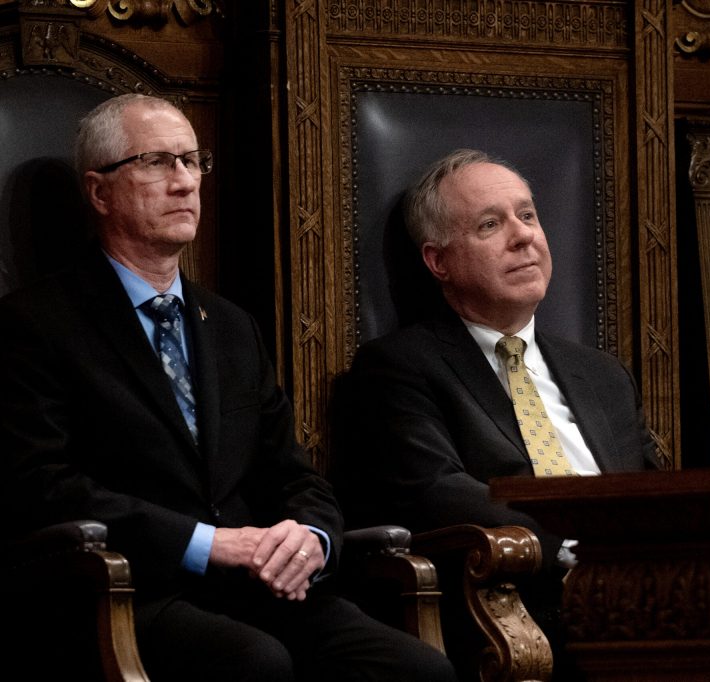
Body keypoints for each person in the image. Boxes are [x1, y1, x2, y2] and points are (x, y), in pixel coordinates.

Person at [0, 93, 455, 682]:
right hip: (124, 588)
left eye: (193, 162)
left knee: (419, 670)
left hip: (257, 587)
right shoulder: (35, 324)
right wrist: (203, 543)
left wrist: (311, 538)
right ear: (99, 191)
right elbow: (42, 486)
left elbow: (292, 472)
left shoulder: (233, 328)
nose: (185, 182)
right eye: (158, 162)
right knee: (254, 663)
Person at [333, 148, 661, 676]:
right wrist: (575, 547)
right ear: (438, 261)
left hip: (646, 591)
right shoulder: (399, 367)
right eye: (491, 224)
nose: (523, 235)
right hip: (519, 599)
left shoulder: (602, 375)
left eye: (527, 216)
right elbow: (435, 490)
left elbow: (652, 486)